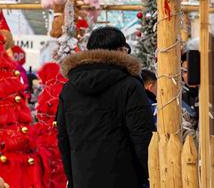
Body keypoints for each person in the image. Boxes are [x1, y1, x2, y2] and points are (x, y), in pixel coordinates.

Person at [56, 27, 153, 188]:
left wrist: (73, 179)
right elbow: (142, 136)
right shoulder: (130, 85)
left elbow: (63, 139)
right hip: (125, 178)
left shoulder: (69, 88)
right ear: (120, 50)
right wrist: (147, 176)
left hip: (83, 178)